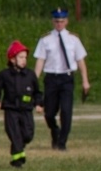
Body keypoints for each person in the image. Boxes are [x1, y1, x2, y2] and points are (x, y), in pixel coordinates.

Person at [33, 8, 90, 151]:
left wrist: (85, 80)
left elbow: (80, 61)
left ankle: (62, 143)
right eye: (57, 21)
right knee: (49, 113)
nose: (59, 24)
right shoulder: (45, 39)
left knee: (66, 111)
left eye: (62, 21)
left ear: (67, 21)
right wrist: (33, 81)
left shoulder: (74, 39)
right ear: (53, 21)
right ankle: (55, 131)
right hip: (51, 78)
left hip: (67, 78)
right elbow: (40, 61)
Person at [0, 41, 44, 168]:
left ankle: (18, 151)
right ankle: (18, 160)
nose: (24, 60)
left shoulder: (30, 75)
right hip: (11, 109)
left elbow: (37, 92)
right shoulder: (4, 75)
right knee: (14, 134)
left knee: (28, 135)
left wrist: (38, 104)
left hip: (26, 110)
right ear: (12, 59)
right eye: (20, 57)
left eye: (25, 57)